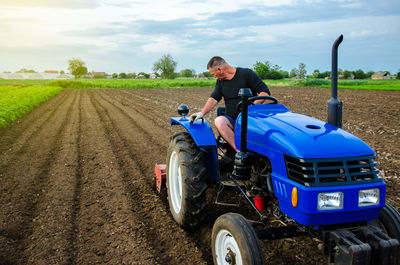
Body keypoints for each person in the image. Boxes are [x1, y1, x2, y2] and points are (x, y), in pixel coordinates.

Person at [190, 56, 271, 153]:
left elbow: (264, 93)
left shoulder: (246, 74)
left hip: (249, 119)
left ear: (220, 69)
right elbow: (214, 98)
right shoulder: (221, 82)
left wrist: (251, 106)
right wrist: (202, 113)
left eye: (213, 74)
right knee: (219, 121)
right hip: (232, 120)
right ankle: (240, 152)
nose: (214, 77)